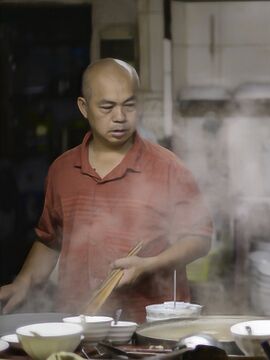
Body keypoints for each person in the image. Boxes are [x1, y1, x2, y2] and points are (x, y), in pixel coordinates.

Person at [0, 58, 213, 322]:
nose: (120, 117)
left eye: (129, 106)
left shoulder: (167, 167)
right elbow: (50, 240)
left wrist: (148, 265)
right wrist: (23, 282)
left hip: (150, 328)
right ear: (83, 107)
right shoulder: (63, 170)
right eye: (107, 107)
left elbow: (199, 239)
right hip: (78, 321)